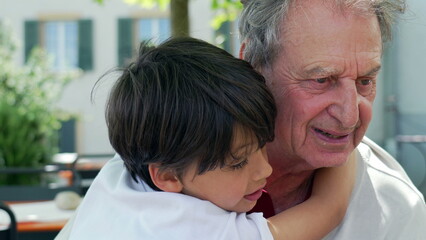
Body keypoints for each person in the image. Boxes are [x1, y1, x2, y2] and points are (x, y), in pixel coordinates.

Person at [56, 37, 356, 240]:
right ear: (167, 176)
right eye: (238, 162)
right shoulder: (200, 232)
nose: (264, 170)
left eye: (262, 144)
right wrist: (343, 134)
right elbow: (329, 208)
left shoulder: (118, 173)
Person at [239, 0, 426, 239]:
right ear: (252, 67)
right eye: (322, 80)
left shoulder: (395, 212)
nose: (350, 117)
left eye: (365, 81)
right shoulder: (182, 167)